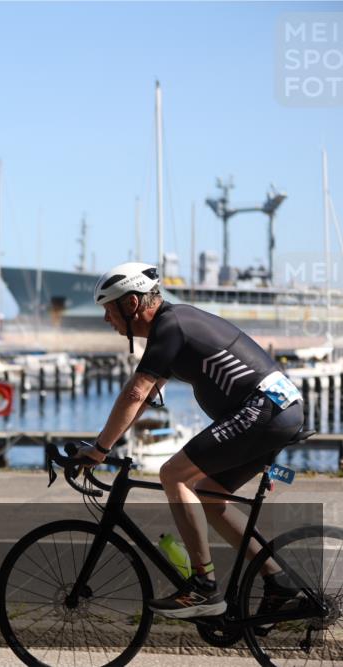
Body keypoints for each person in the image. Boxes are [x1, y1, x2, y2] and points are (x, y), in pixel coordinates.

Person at [77, 262, 303, 619]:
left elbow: (135, 393)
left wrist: (100, 450)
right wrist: (106, 446)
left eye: (109, 310)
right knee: (210, 496)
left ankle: (203, 588)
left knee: (173, 474)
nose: (108, 320)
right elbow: (147, 397)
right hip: (276, 411)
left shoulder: (170, 326)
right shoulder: (173, 326)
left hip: (264, 411)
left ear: (132, 304)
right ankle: (280, 583)